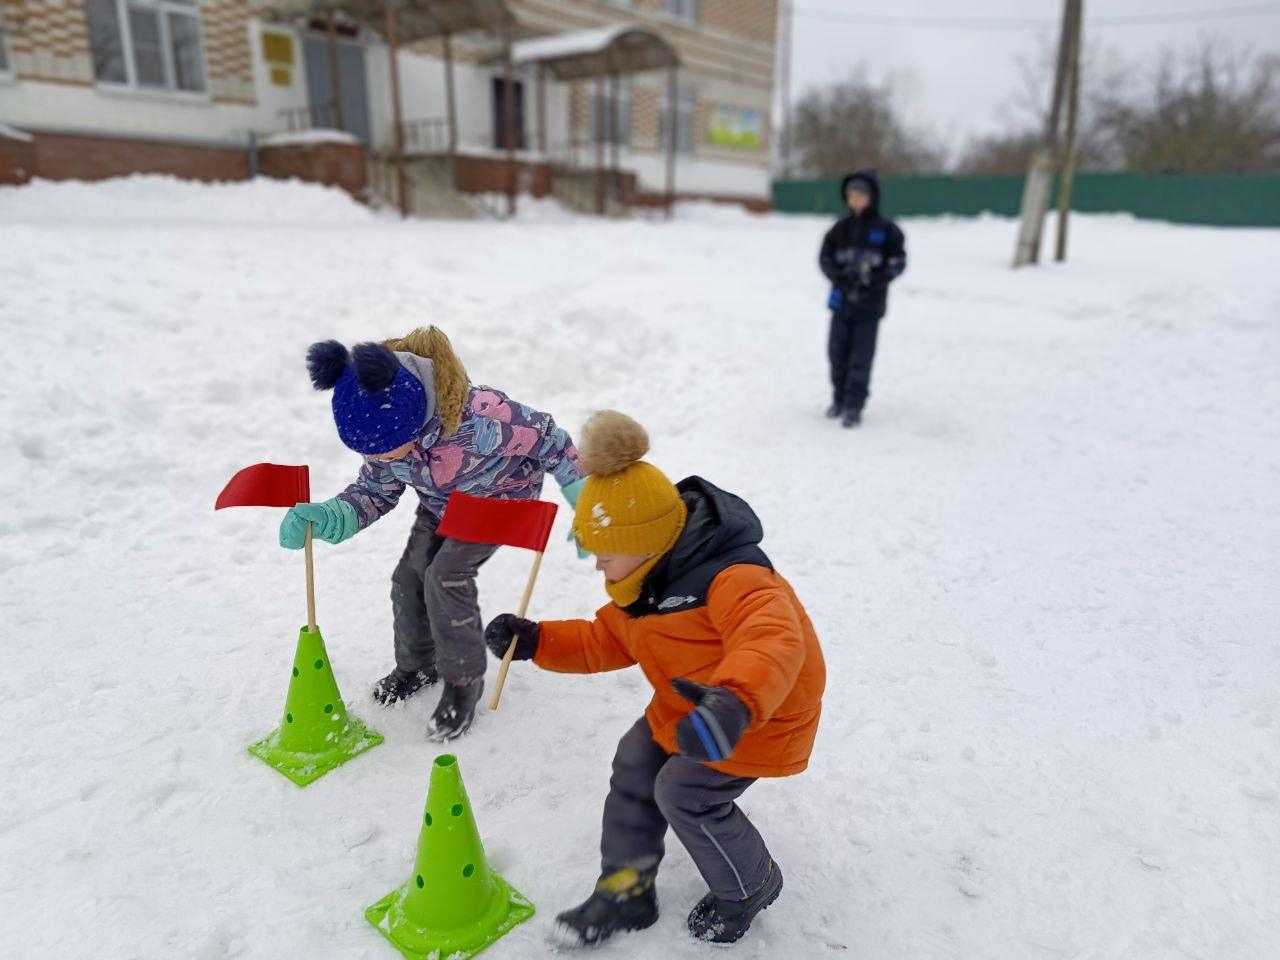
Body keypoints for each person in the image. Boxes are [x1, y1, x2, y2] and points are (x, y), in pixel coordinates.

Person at [483, 411, 825, 946]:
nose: (598, 565)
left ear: (645, 542)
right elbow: (606, 640)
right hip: (689, 705)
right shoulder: (644, 584)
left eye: (605, 553)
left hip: (756, 714)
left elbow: (773, 640)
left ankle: (751, 884)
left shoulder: (734, 578)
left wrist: (732, 703)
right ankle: (627, 889)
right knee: (635, 761)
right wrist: (537, 642)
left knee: (684, 790)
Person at [278, 327, 583, 741]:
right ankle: (417, 665)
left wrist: (583, 494)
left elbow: (552, 439)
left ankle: (464, 683)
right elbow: (375, 490)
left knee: (445, 577)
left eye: (387, 447)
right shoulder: (382, 436)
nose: (381, 457)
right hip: (443, 507)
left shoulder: (483, 416)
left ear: (411, 413)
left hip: (500, 503)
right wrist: (332, 516)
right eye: (372, 452)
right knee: (408, 578)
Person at [819, 168, 907, 427]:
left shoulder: (888, 230)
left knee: (861, 357)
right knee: (837, 354)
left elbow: (898, 262)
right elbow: (825, 258)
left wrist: (877, 279)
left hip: (870, 306)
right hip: (841, 303)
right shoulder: (839, 229)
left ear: (872, 197)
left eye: (860, 195)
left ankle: (854, 405)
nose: (855, 200)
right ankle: (838, 398)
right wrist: (838, 275)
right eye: (850, 195)